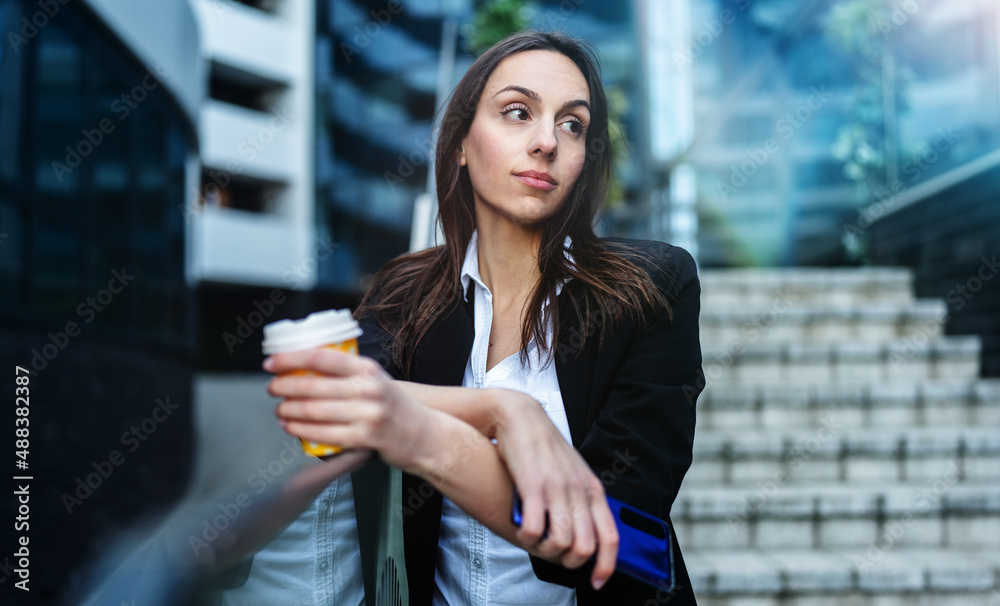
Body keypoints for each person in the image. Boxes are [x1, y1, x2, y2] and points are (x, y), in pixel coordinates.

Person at [265, 30, 703, 605]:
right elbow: (340, 399)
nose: (546, 142)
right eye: (517, 112)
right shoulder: (407, 290)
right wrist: (500, 410)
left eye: (573, 125)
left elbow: (627, 541)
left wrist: (428, 436)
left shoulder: (651, 286)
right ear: (461, 145)